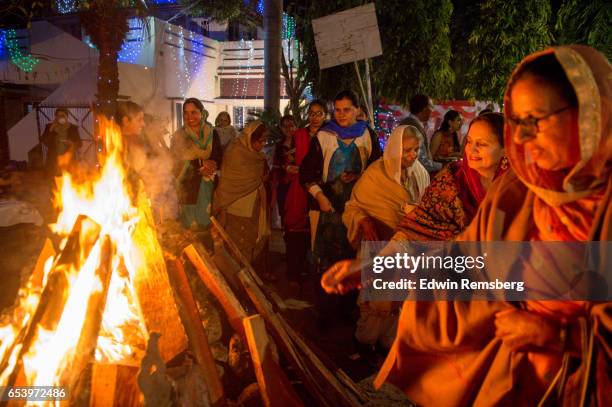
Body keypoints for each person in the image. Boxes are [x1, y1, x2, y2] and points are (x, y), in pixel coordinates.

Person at [328, 45, 612, 405]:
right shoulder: (519, 190)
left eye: (536, 120)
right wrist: (376, 267)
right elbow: (466, 257)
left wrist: (563, 336)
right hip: (517, 376)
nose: (521, 139)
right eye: (516, 122)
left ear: (588, 114)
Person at [342, 124, 429, 355]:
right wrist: (364, 221)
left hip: (408, 249)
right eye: (406, 150)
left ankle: (387, 347)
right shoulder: (375, 174)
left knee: (398, 303)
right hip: (379, 246)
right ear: (394, 149)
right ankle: (363, 343)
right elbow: (352, 208)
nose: (412, 156)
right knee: (375, 305)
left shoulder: (421, 173)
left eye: (416, 150)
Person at [300, 89, 382, 327]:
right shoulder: (324, 135)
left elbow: (377, 169)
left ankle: (347, 313)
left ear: (358, 110)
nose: (342, 114)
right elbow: (306, 173)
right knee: (327, 261)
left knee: (352, 259)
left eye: (347, 109)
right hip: (331, 211)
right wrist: (321, 197)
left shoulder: (368, 134)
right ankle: (325, 314)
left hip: (358, 210)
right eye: (338, 110)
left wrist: (360, 176)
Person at [394, 112, 507, 241]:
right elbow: (420, 223)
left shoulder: (522, 184)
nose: (470, 149)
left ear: (506, 148)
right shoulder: (451, 178)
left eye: (482, 144)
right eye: (469, 141)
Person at [214, 121, 271, 276]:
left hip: (254, 207)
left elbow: (261, 176)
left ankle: (248, 281)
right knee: (237, 249)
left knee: (252, 245)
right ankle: (237, 284)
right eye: (260, 141)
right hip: (237, 210)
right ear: (250, 138)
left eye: (264, 141)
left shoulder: (256, 155)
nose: (262, 145)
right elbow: (228, 183)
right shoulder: (235, 153)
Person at [282, 100, 327, 286]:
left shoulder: (331, 134)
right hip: (299, 189)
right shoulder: (299, 135)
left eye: (319, 114)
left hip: (323, 189)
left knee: (319, 232)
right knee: (296, 232)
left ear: (325, 115)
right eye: (311, 113)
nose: (314, 117)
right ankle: (294, 273)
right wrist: (289, 168)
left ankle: (318, 276)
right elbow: (287, 160)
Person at [170, 98, 222, 232]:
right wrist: (200, 164)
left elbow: (219, 156)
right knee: (190, 229)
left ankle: (206, 253)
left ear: (202, 113)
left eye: (194, 112)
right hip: (188, 188)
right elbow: (175, 164)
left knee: (206, 225)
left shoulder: (212, 133)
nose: (189, 117)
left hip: (208, 185)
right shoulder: (179, 136)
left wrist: (211, 165)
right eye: (186, 113)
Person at [399, 94, 442, 174]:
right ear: (425, 109)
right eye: (431, 107)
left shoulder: (406, 123)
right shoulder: (413, 128)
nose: (432, 110)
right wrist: (443, 166)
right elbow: (422, 163)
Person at [41, 107, 82, 177]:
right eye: (58, 116)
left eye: (63, 115)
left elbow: (79, 144)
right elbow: (45, 141)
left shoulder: (73, 128)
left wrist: (72, 144)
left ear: (67, 117)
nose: (61, 117)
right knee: (54, 183)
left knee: (68, 181)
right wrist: (51, 128)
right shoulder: (49, 127)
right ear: (56, 117)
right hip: (54, 160)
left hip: (68, 160)